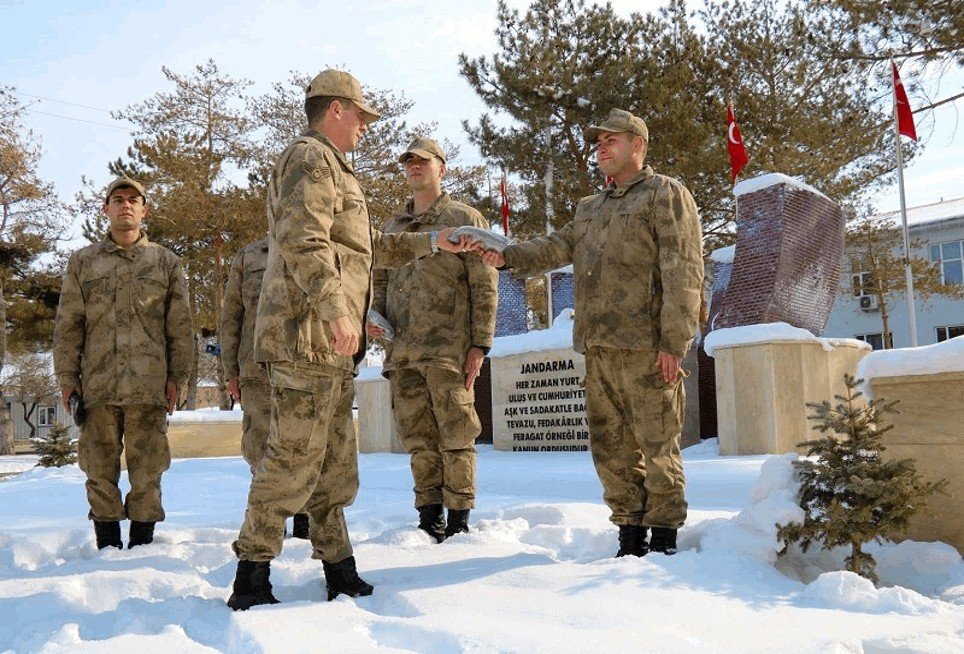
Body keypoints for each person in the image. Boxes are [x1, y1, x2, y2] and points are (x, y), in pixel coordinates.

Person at [227, 69, 474, 610]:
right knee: (292, 458)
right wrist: (337, 311)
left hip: (329, 347)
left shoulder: (336, 168)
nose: (365, 126)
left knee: (333, 464)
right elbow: (304, 240)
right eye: (360, 116)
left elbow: (366, 247)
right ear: (336, 109)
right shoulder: (311, 158)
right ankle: (251, 575)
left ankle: (339, 568)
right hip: (307, 337)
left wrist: (435, 240)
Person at [479, 109, 704, 558]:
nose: (601, 148)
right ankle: (629, 536)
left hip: (646, 349)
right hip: (598, 350)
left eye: (610, 140)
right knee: (611, 450)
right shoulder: (590, 208)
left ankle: (664, 539)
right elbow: (555, 247)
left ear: (637, 144)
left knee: (658, 446)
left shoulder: (665, 194)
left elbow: (683, 271)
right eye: (598, 143)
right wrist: (506, 257)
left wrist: (673, 343)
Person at [53, 176, 194, 550]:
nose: (126, 205)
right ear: (106, 209)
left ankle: (142, 549)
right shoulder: (84, 262)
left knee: (148, 471)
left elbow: (180, 328)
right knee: (99, 470)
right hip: (98, 387)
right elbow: (68, 325)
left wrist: (178, 378)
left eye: (134, 199)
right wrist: (67, 379)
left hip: (149, 388)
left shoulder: (165, 262)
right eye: (118, 199)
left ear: (144, 210)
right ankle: (107, 549)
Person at [369, 138, 498, 542]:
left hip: (448, 351)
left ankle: (459, 523)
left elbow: (484, 284)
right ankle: (428, 520)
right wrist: (374, 318)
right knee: (419, 440)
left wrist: (480, 344)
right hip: (402, 353)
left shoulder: (463, 220)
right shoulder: (393, 228)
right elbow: (379, 282)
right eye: (409, 161)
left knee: (457, 436)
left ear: (441, 168)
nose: (414, 166)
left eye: (423, 161)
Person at [220, 238, 311, 540]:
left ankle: (305, 523)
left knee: (304, 445)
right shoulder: (247, 257)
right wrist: (231, 370)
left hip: (305, 368)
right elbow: (232, 317)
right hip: (256, 371)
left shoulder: (316, 246)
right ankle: (269, 524)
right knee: (259, 448)